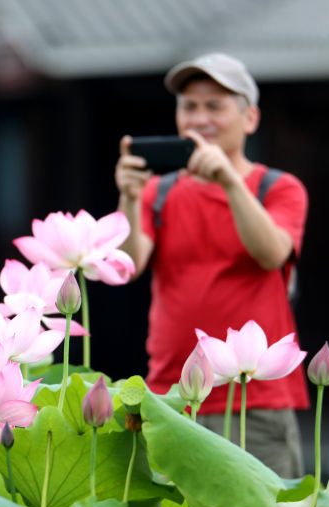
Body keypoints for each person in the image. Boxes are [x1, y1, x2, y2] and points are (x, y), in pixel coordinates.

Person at [114, 53, 308, 477]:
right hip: (173, 395)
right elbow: (128, 264)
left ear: (250, 118)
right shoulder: (158, 193)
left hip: (254, 400)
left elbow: (271, 252)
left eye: (215, 106)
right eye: (189, 106)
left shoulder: (278, 187)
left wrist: (229, 181)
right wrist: (128, 197)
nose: (199, 118)